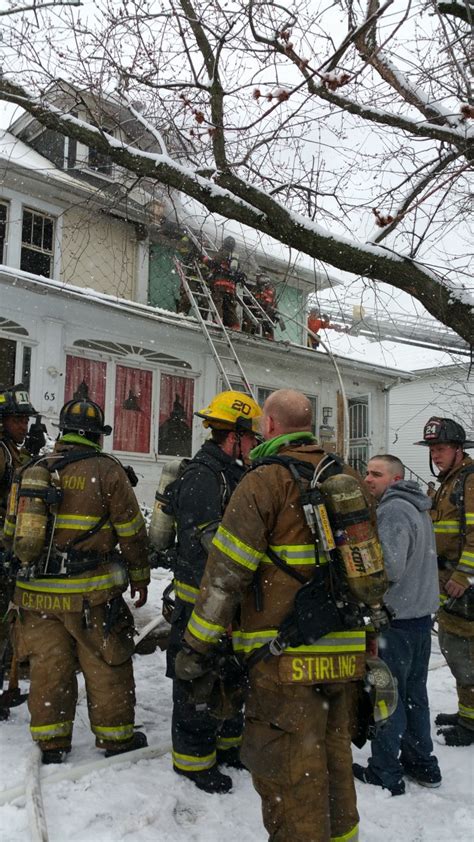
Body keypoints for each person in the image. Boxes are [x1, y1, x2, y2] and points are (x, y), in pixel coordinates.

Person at [175, 389, 369, 841]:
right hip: (345, 656)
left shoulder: (263, 482)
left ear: (269, 426)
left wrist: (196, 645)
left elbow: (225, 575)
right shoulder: (348, 480)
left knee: (290, 774)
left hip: (283, 661)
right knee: (336, 764)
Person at [3, 397, 150, 763]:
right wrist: (140, 574)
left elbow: (10, 533)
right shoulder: (108, 471)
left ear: (63, 432)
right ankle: (115, 738)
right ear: (96, 436)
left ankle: (52, 742)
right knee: (106, 663)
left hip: (36, 595)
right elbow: (132, 532)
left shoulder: (32, 471)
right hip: (90, 595)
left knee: (48, 668)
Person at [165, 389, 262, 794]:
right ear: (234, 435)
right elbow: (211, 542)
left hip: (227, 601)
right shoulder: (204, 476)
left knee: (230, 677)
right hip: (200, 602)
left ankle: (227, 747)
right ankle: (193, 761)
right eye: (252, 438)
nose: (255, 445)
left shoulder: (233, 472)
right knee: (197, 682)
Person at [353, 455, 441, 796]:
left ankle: (386, 772)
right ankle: (422, 764)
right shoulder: (418, 506)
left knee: (386, 697)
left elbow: (388, 569)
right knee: (414, 696)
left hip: (397, 622)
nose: (367, 479)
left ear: (396, 478)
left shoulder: (392, 510)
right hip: (419, 619)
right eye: (367, 472)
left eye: (376, 474)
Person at [415, 416, 474, 746]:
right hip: (447, 582)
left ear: (458, 449)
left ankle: (470, 722)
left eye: (441, 448)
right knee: (457, 651)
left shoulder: (469, 481)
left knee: (466, 654)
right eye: (433, 449)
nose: (436, 455)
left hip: (463, 585)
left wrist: (464, 575)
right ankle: (466, 710)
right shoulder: (449, 482)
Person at [0, 384, 45, 719]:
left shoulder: (12, 450)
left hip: (7, 548)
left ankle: (7, 686)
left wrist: (34, 455)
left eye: (25, 420)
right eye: (17, 420)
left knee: (8, 620)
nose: (24, 426)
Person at [204, 235, 242, 330]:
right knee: (230, 307)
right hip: (231, 287)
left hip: (220, 283)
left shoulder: (223, 253)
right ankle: (235, 325)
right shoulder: (235, 258)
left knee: (217, 301)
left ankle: (217, 320)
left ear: (224, 243)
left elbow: (213, 264)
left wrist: (204, 259)